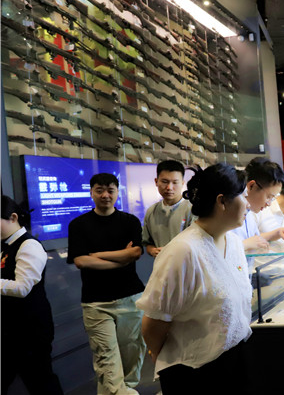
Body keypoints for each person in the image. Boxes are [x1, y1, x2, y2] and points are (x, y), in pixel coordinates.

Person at [136, 164, 253, 394]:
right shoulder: (183, 251)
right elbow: (153, 324)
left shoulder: (234, 242)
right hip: (195, 372)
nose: (248, 204)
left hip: (233, 361)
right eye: (243, 196)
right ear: (222, 201)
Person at [67, 173, 146, 395]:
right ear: (91, 192)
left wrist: (98, 255)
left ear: (117, 192)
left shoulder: (130, 221)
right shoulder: (78, 225)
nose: (105, 195)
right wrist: (121, 259)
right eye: (99, 190)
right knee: (107, 361)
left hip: (131, 299)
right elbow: (81, 261)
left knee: (131, 358)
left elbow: (135, 253)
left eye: (110, 190)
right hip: (96, 304)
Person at [1, 196, 63, 395]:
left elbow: (22, 287)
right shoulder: (6, 245)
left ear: (13, 218)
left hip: (30, 330)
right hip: (10, 329)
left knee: (41, 381)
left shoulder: (29, 245)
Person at [230, 157, 284, 252]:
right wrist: (244, 245)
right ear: (251, 186)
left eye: (272, 198)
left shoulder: (249, 214)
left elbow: (255, 240)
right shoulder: (228, 213)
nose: (269, 203)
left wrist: (277, 233)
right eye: (269, 196)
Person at [143, 160, 195, 257]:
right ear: (156, 182)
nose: (169, 187)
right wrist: (152, 250)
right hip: (161, 265)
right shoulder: (151, 211)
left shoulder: (193, 210)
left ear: (182, 183)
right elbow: (148, 243)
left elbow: (198, 244)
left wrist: (171, 251)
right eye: (164, 182)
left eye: (175, 182)